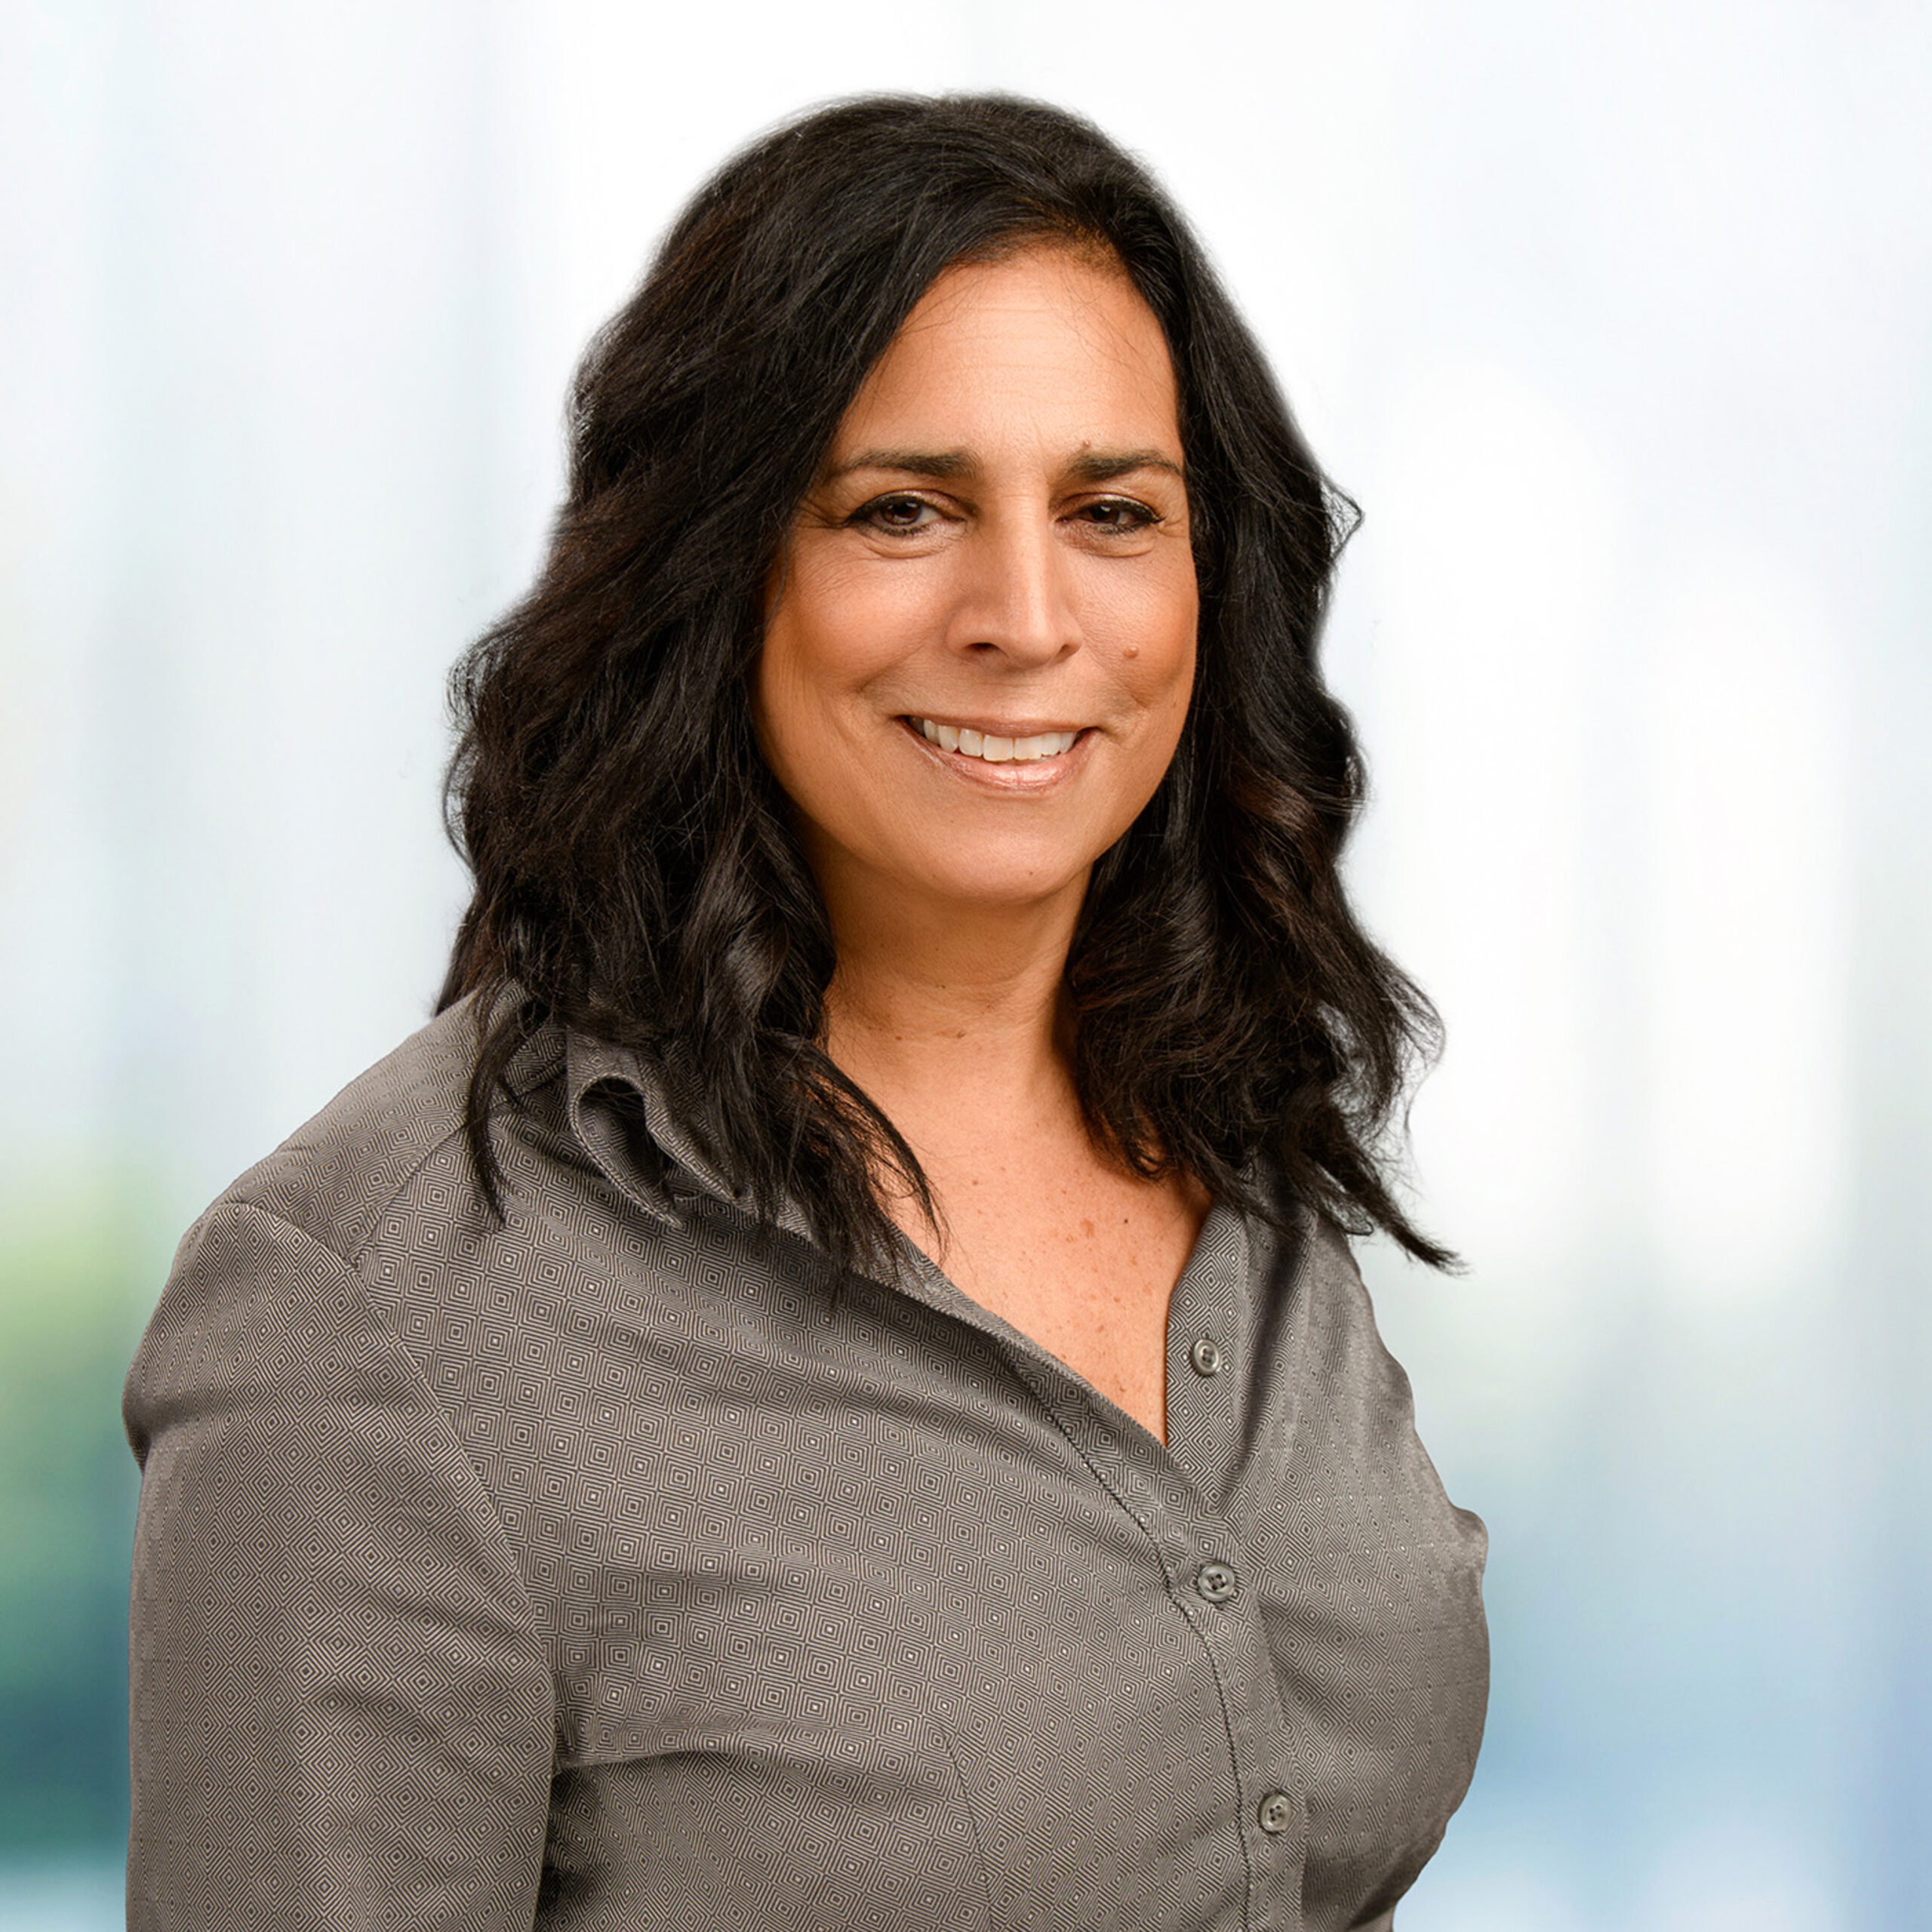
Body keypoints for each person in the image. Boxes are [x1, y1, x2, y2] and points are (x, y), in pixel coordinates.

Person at [123, 94, 1487, 1931]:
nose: (1024, 612)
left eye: (1109, 510)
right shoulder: (370, 1309)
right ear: (714, 568)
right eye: (901, 508)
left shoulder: (1241, 1132)